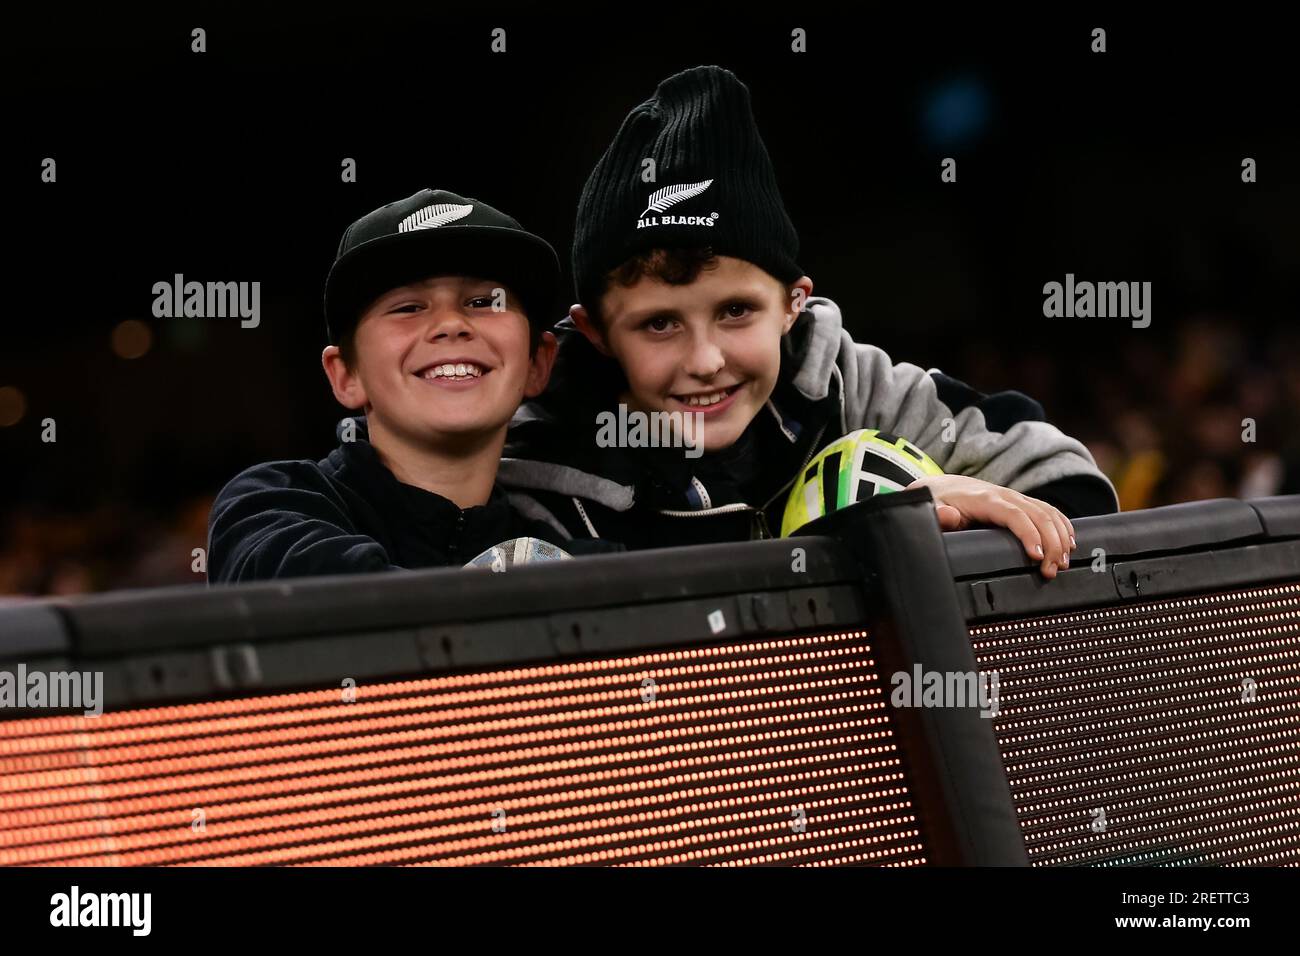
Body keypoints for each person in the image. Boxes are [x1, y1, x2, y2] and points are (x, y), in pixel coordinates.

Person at [500, 66, 1119, 579]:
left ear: (794, 304)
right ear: (596, 332)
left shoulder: (850, 383)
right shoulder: (537, 470)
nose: (706, 360)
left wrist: (959, 523)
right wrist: (862, 531)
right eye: (659, 325)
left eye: (736, 311)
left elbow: (1072, 486)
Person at [207, 188, 604, 582]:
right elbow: (334, 616)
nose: (451, 324)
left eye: (484, 302)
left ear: (537, 363)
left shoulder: (578, 549)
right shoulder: (269, 510)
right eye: (408, 308)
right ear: (346, 374)